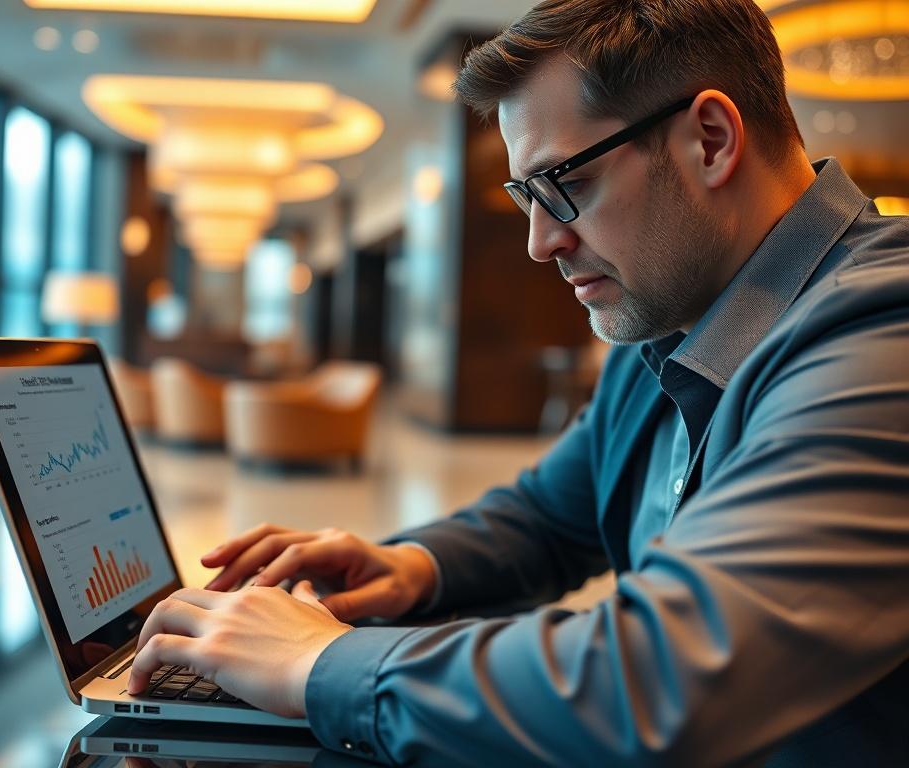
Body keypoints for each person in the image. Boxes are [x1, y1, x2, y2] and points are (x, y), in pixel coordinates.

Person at [127, 1, 909, 764]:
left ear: (710, 140)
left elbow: (663, 678)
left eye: (561, 183)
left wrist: (317, 665)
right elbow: (549, 515)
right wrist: (410, 567)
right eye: (526, 196)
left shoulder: (884, 333)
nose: (541, 242)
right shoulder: (681, 318)